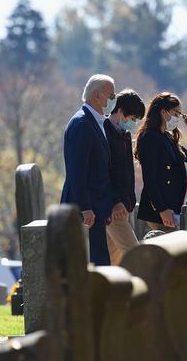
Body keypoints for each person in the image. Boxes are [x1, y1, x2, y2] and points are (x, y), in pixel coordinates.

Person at [61, 74, 115, 265]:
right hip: (86, 209)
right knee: (90, 264)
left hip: (97, 206)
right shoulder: (82, 124)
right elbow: (77, 171)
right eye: (111, 96)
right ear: (97, 95)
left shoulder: (95, 122)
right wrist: (85, 207)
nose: (113, 100)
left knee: (100, 262)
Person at [134, 92, 187, 232]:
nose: (178, 118)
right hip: (159, 209)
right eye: (176, 114)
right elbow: (150, 178)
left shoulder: (168, 137)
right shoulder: (150, 138)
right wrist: (162, 208)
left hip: (172, 207)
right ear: (164, 112)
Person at [103, 89, 145, 264]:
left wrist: (127, 201)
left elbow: (127, 172)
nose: (133, 123)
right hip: (113, 208)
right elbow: (103, 172)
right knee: (135, 255)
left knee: (115, 260)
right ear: (120, 111)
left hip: (124, 207)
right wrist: (115, 201)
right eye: (132, 118)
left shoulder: (125, 135)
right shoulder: (103, 131)